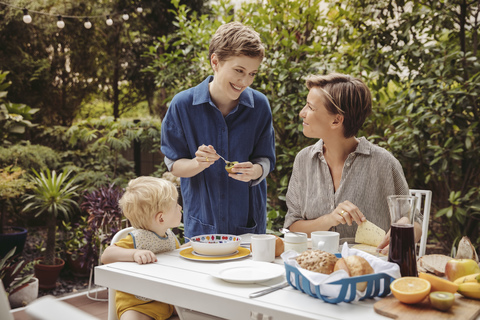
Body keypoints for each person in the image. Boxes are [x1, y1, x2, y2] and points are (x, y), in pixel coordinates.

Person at [283, 73, 421, 254]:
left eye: (310, 107)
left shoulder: (385, 163)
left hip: (369, 271)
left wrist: (403, 228)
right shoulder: (304, 160)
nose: (302, 113)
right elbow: (292, 228)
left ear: (336, 120)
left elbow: (415, 222)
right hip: (314, 267)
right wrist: (330, 219)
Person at [160, 22, 276, 238]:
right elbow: (174, 165)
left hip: (249, 228)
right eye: (239, 71)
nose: (245, 81)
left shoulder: (260, 106)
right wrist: (197, 163)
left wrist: (256, 171)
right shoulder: (182, 105)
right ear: (215, 61)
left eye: (252, 73)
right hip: (202, 226)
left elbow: (266, 159)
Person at [101, 176, 184, 320]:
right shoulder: (136, 238)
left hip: (165, 300)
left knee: (200, 309)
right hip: (137, 305)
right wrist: (134, 254)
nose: (180, 207)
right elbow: (107, 255)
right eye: (176, 205)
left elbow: (174, 255)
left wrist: (190, 248)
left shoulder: (169, 235)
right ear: (161, 218)